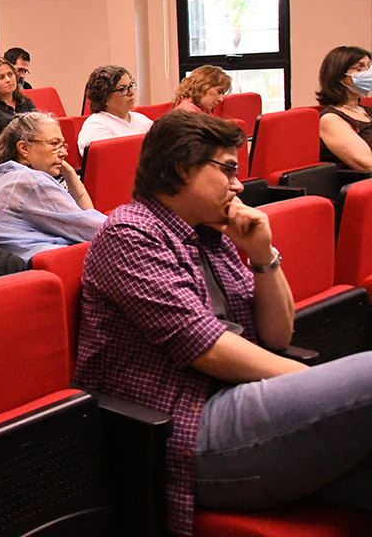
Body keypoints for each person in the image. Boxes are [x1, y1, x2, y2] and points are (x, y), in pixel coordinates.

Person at [75, 109, 372, 536]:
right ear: (183, 168)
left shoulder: (213, 233)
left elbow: (278, 335)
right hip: (190, 427)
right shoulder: (130, 233)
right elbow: (207, 349)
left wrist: (262, 254)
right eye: (228, 169)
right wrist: (314, 383)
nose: (239, 184)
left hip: (244, 408)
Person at [0, 112, 104, 261]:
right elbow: (94, 230)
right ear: (24, 148)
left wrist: (70, 175)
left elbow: (85, 220)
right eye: (54, 144)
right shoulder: (29, 182)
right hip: (56, 267)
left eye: (63, 145)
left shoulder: (5, 176)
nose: (63, 153)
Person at [77, 65, 153, 157]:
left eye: (131, 85)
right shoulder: (96, 125)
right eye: (122, 89)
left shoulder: (140, 119)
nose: (131, 92)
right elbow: (116, 159)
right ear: (105, 98)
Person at [316, 45, 372, 171]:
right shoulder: (331, 119)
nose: (368, 73)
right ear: (340, 77)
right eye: (359, 68)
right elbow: (366, 163)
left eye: (368, 67)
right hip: (358, 181)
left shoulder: (367, 111)